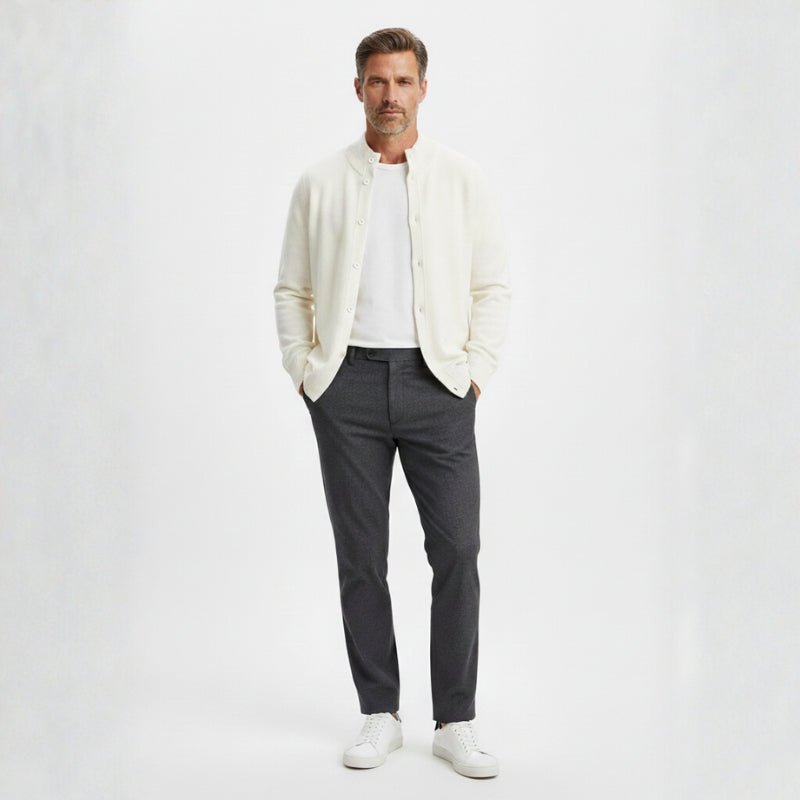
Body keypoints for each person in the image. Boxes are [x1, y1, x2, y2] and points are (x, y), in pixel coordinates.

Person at [273, 27, 510, 779]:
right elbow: (291, 289)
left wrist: (474, 373)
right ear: (358, 89)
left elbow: (492, 286)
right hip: (346, 388)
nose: (390, 96)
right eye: (377, 81)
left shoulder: (461, 179)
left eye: (403, 81)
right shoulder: (320, 183)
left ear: (423, 89)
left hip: (438, 385)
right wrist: (309, 374)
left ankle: (456, 720)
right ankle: (379, 709)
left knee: (458, 550)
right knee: (360, 556)